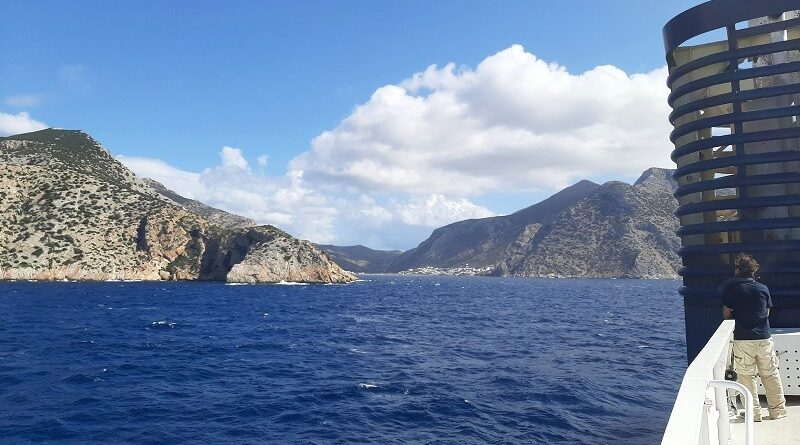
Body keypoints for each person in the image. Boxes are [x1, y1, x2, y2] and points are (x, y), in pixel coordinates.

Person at [719, 253, 787, 422]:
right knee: (771, 374)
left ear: (738, 270)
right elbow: (766, 312)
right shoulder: (763, 288)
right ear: (752, 271)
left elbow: (726, 314)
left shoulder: (731, 289)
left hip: (743, 339)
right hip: (764, 338)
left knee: (746, 376)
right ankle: (777, 411)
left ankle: (753, 413)